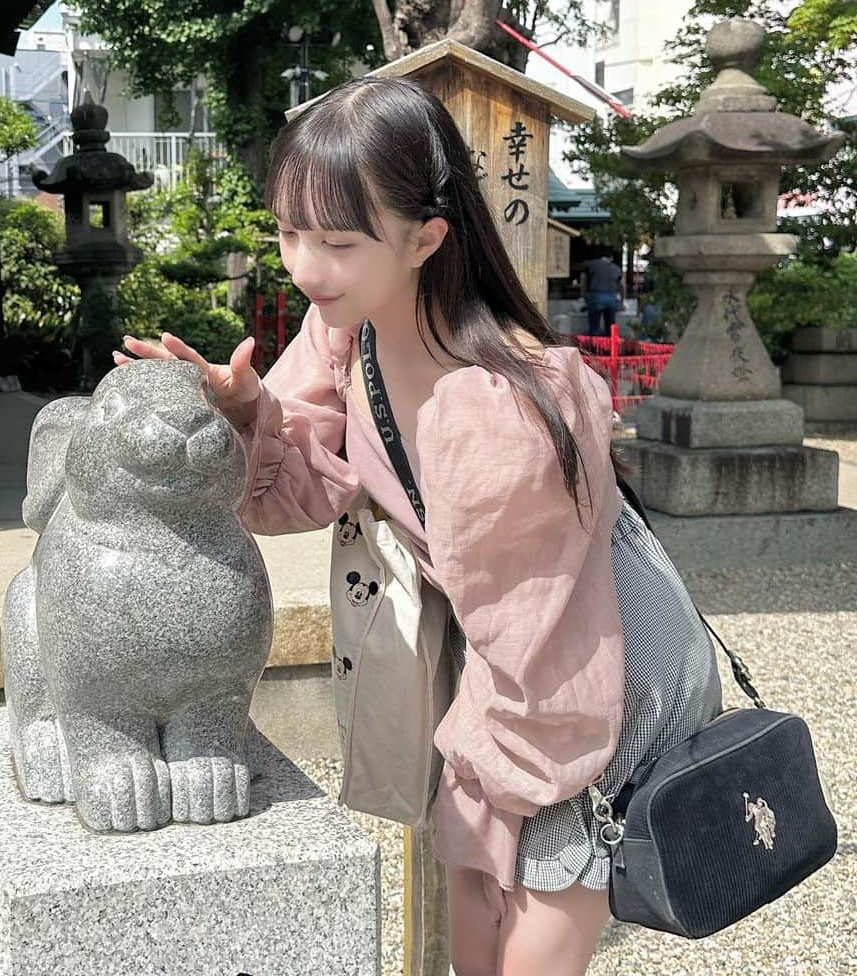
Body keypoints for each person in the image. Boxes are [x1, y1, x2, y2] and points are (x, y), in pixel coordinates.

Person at [113, 76, 721, 976]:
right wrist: (248, 415)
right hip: (507, 645)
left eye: (337, 242)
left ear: (427, 237)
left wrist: (485, 774)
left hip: (595, 654)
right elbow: (300, 495)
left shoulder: (505, 402)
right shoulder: (342, 334)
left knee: (535, 925)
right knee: (472, 904)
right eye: (288, 233)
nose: (305, 266)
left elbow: (534, 647)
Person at [578, 254, 624, 336]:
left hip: (596, 297)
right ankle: (609, 346)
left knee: (594, 328)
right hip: (611, 298)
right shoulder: (616, 268)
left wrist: (584, 295)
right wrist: (622, 302)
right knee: (610, 328)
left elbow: (583, 278)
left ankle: (594, 346)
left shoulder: (592, 264)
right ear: (611, 258)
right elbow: (622, 285)